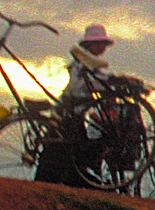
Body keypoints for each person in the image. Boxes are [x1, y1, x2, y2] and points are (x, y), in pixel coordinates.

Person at [35, 24, 115, 186]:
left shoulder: (88, 61)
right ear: (90, 45)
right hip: (69, 110)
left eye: (102, 44)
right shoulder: (84, 62)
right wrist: (113, 83)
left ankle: (54, 183)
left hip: (72, 110)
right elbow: (90, 83)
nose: (101, 48)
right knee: (65, 150)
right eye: (99, 44)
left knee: (65, 150)